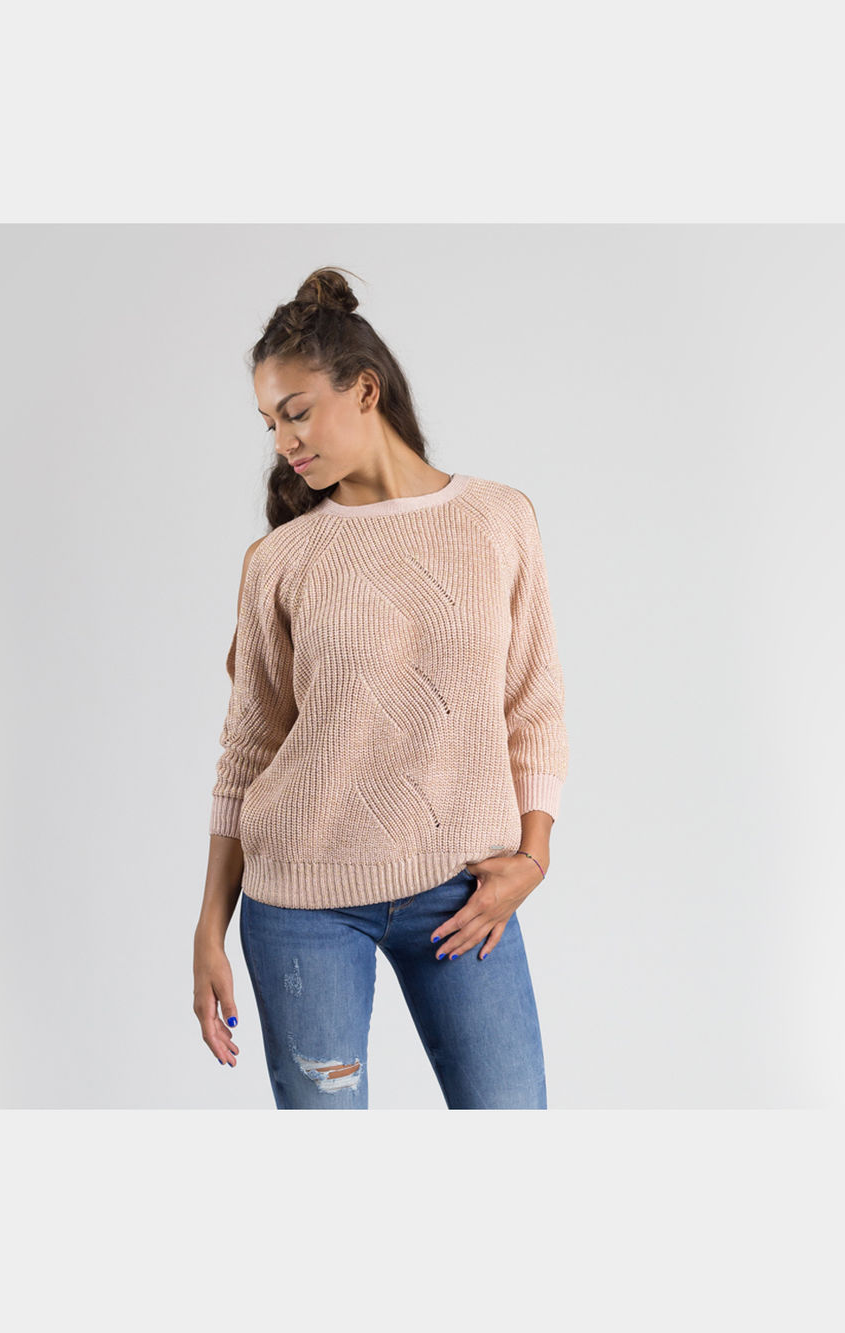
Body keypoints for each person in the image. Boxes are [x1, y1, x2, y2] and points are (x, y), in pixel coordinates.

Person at [192, 266, 569, 1109]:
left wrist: (532, 857)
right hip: (301, 906)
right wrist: (208, 929)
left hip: (462, 892)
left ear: (364, 390)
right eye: (269, 423)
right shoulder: (280, 559)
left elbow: (533, 705)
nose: (283, 441)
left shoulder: (500, 518)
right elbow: (247, 750)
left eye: (296, 412)